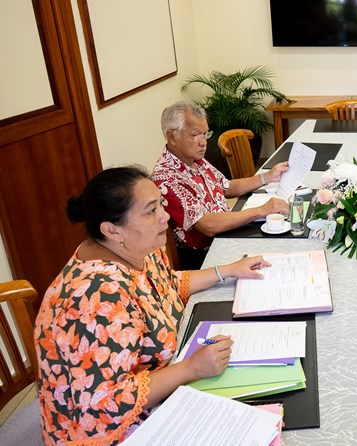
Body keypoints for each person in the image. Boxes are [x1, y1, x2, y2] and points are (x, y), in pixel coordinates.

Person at [34, 166, 272, 445]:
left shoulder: (137, 249)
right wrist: (191, 369)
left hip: (156, 384)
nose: (166, 216)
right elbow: (100, 406)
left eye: (161, 203)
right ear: (112, 230)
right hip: (103, 430)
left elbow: (165, 285)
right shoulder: (95, 299)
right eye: (150, 210)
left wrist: (228, 270)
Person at [152, 101, 290, 270]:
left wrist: (267, 177)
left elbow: (227, 187)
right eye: (195, 135)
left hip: (228, 235)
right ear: (172, 136)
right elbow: (208, 225)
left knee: (284, 243)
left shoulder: (196, 160)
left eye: (205, 134)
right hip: (206, 256)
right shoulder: (166, 178)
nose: (203, 142)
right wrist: (262, 210)